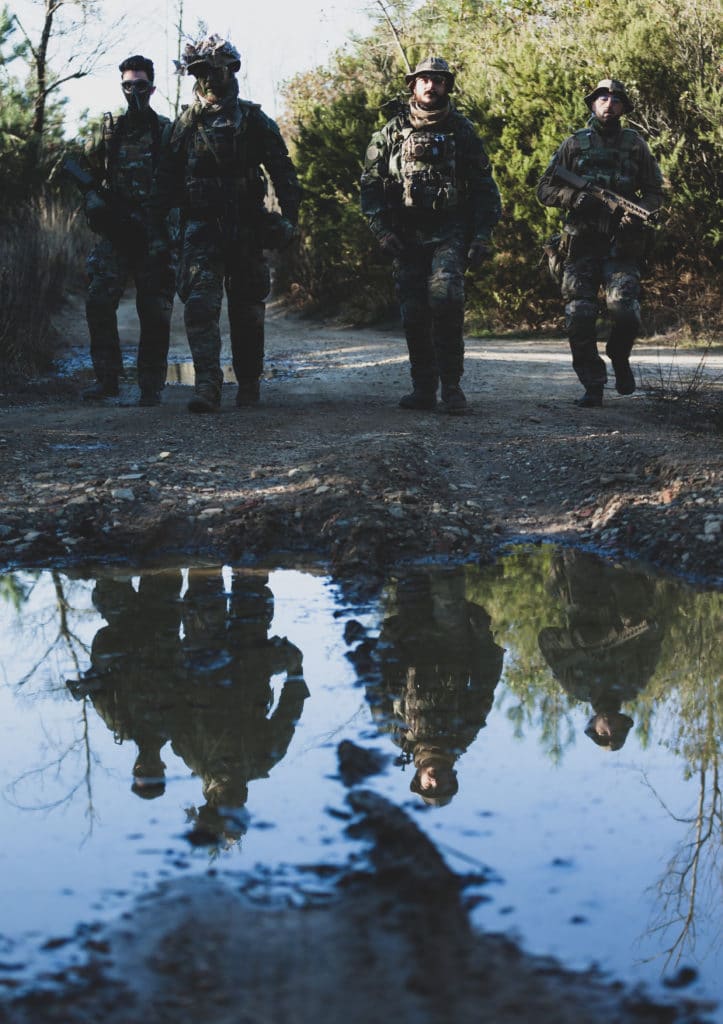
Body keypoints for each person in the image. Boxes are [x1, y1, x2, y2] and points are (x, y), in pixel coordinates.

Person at [155, 34, 301, 413]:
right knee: (200, 306)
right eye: (201, 72)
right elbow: (166, 180)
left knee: (248, 308)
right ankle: (207, 385)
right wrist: (167, 228)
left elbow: (283, 172)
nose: (208, 79)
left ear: (231, 70)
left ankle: (249, 384)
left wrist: (290, 220)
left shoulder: (253, 120)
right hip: (201, 228)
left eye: (214, 70)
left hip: (247, 228)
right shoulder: (184, 125)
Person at [360, 56, 501, 415]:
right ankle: (423, 388)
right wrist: (381, 230)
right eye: (424, 79)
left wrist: (482, 235)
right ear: (413, 85)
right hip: (405, 236)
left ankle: (451, 388)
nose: (430, 86)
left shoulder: (462, 131)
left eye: (438, 80)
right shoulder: (391, 132)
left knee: (447, 299)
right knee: (413, 313)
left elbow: (485, 188)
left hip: (450, 232)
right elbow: (371, 186)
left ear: (447, 86)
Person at [536, 78, 664, 407]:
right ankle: (592, 384)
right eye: (602, 98)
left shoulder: (636, 145)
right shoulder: (573, 145)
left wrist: (638, 214)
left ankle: (618, 355)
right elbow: (544, 189)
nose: (608, 103)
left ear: (623, 107)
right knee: (579, 316)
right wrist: (575, 199)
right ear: (592, 104)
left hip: (621, 245)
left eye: (615, 99)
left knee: (625, 311)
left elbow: (654, 192)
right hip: (580, 245)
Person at [82, 55, 175, 406]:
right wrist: (94, 201)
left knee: (154, 310)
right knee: (98, 300)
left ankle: (150, 386)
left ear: (151, 87)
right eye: (126, 85)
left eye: (139, 85)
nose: (132, 91)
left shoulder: (166, 130)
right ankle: (107, 380)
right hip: (117, 234)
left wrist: (169, 227)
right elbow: (84, 171)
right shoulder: (110, 130)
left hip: (152, 233)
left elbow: (180, 180)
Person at [537, 549, 663, 751]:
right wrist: (638, 624)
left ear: (593, 724)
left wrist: (578, 641)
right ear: (624, 722)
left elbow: (545, 640)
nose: (610, 728)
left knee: (578, 535)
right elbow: (654, 639)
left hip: (582, 587)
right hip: (625, 583)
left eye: (603, 732)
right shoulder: (635, 683)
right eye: (617, 730)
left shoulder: (575, 686)